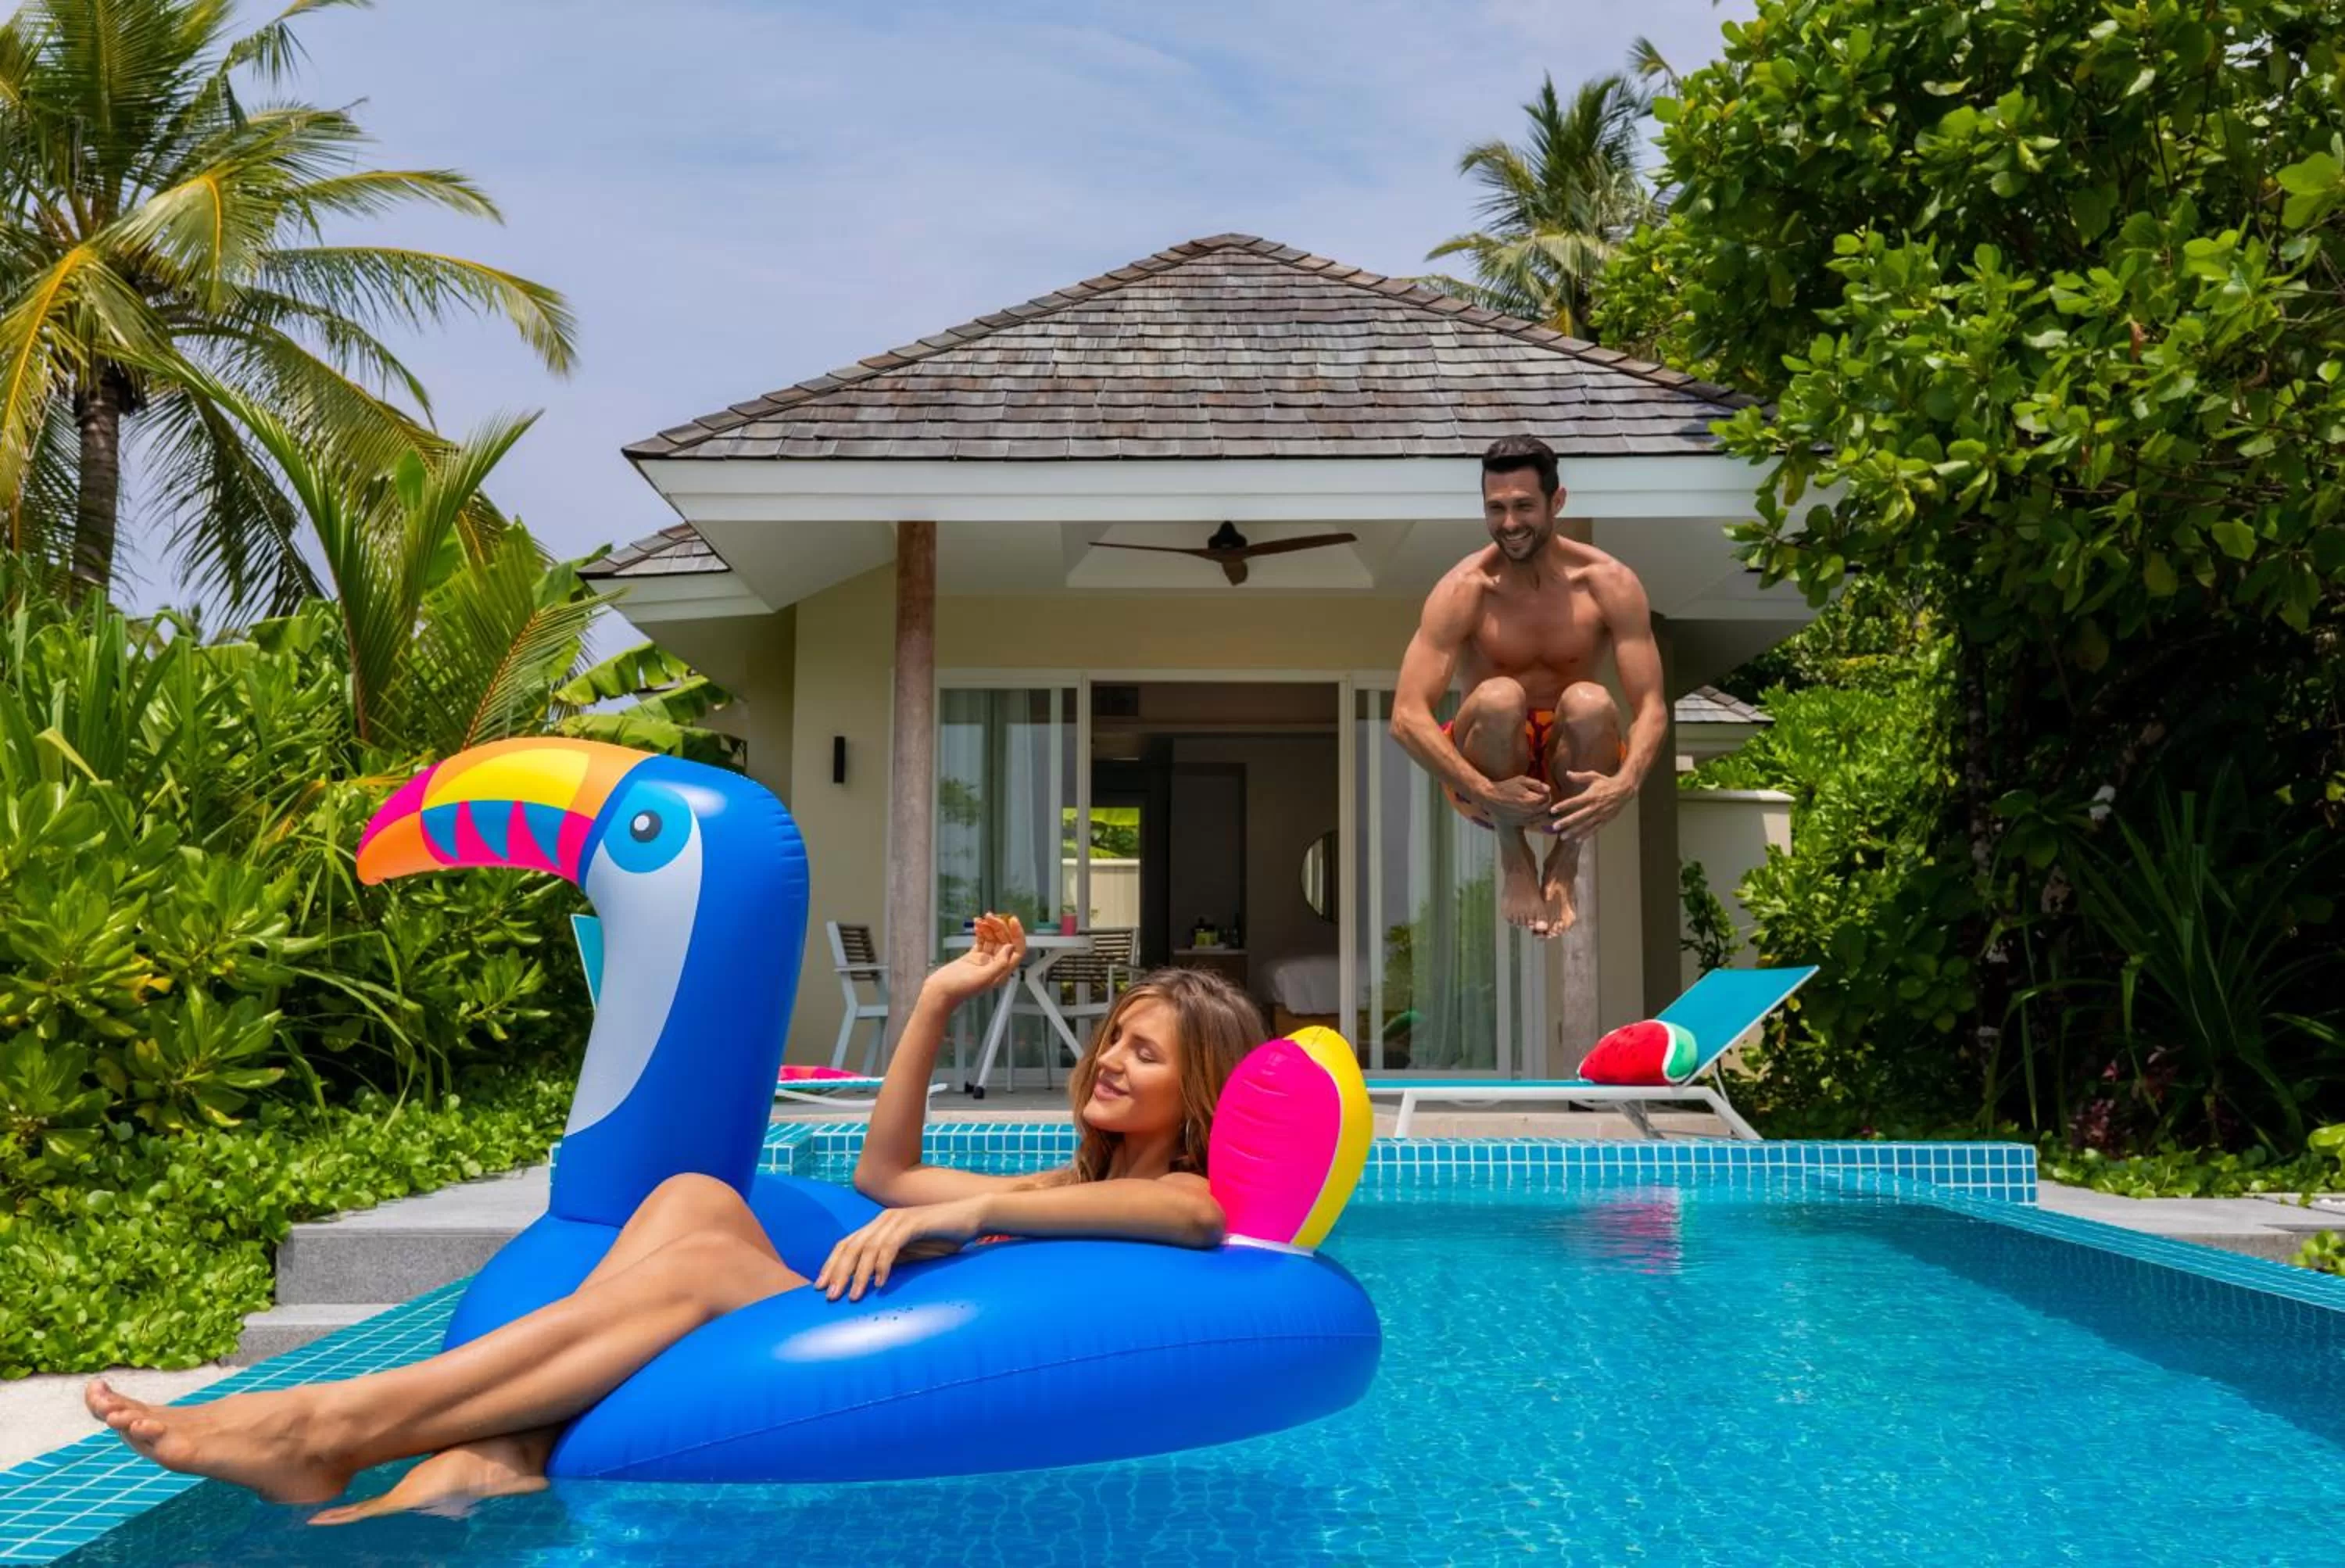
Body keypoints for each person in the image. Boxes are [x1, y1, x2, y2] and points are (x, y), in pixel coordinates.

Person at [83, 915, 1259, 1523]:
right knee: (695, 1197)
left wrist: (967, 1216)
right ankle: (487, 1455)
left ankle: (332, 1427)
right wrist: (942, 999)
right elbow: (890, 1170)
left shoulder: (1181, 1197)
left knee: (699, 1259)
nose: (1108, 1057)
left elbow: (1194, 1215)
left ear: (1195, 1090)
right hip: (819, 1325)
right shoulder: (1063, 1185)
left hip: (830, 1355)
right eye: (1112, 1034)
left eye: (1142, 1051)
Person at [1390, 435, 1666, 938]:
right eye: (1496, 508)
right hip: (1489, 774)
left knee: (1590, 700)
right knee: (1500, 696)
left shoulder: (1609, 583)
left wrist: (1626, 785)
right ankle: (1513, 853)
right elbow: (1406, 717)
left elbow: (1650, 705)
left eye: (1523, 506)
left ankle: (1567, 855)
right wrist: (1488, 792)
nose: (1510, 524)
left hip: (1572, 771)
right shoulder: (1466, 589)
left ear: (1557, 502)